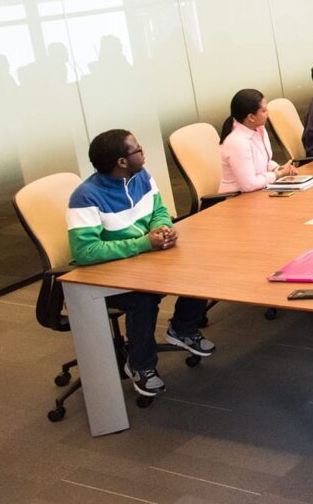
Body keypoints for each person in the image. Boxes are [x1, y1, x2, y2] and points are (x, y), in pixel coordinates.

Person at [67, 129, 214, 397]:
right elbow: (86, 251)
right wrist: (144, 243)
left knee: (200, 264)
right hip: (104, 273)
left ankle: (182, 328)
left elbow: (159, 210)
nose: (142, 151)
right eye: (137, 149)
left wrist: (163, 229)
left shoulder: (142, 177)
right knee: (143, 300)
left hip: (143, 259)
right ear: (121, 162)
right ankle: (141, 365)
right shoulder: (85, 196)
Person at [219, 89, 296, 193]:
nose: (268, 114)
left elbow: (263, 163)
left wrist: (278, 168)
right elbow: (249, 185)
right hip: (236, 199)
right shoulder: (237, 142)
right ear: (251, 117)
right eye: (264, 111)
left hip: (257, 193)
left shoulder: (259, 129)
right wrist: (278, 174)